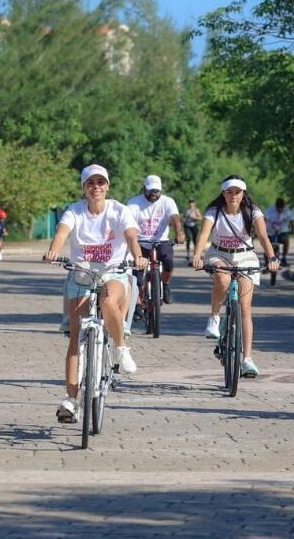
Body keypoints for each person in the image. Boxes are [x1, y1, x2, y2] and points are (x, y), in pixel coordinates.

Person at [44, 164, 147, 423]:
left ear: (107, 186)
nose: (96, 187)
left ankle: (122, 349)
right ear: (84, 188)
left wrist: (137, 255)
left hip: (114, 273)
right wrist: (53, 250)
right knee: (75, 338)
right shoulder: (75, 211)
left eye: (101, 182)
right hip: (81, 275)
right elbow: (62, 233)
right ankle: (70, 399)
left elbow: (131, 236)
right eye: (91, 183)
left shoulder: (119, 210)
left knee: (108, 298)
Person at [191, 174, 280, 379]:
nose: (233, 195)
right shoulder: (214, 211)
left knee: (245, 308)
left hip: (245, 257)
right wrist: (197, 255)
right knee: (222, 278)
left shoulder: (252, 211)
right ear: (223, 193)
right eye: (229, 191)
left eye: (237, 192)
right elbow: (204, 234)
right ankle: (214, 317)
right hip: (219, 254)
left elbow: (264, 236)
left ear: (243, 193)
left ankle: (247, 359)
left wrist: (272, 257)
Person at [127, 175, 185, 316]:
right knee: (137, 276)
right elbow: (128, 223)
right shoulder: (134, 203)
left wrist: (179, 232)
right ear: (144, 189)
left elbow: (175, 218)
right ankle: (138, 302)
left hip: (161, 240)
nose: (154, 194)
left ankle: (165, 285)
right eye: (151, 190)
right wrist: (130, 238)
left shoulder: (167, 202)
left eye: (157, 191)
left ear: (161, 190)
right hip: (140, 242)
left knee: (169, 262)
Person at [264, 197, 294, 266]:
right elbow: (264, 220)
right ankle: (266, 263)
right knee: (267, 245)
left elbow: (291, 221)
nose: (280, 210)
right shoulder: (270, 211)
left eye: (282, 208)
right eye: (278, 208)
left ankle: (284, 257)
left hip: (282, 232)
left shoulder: (287, 211)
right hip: (270, 232)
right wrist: (262, 231)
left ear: (284, 206)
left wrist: (293, 230)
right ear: (276, 206)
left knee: (286, 241)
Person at [183, 198, 203, 263]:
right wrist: (184, 219)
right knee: (188, 238)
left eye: (192, 202)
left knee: (195, 240)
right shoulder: (187, 210)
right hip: (187, 225)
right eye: (190, 202)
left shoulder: (196, 210)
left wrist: (193, 217)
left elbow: (200, 218)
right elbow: (183, 218)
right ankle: (188, 254)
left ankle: (196, 254)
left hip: (193, 225)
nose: (191, 204)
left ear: (194, 203)